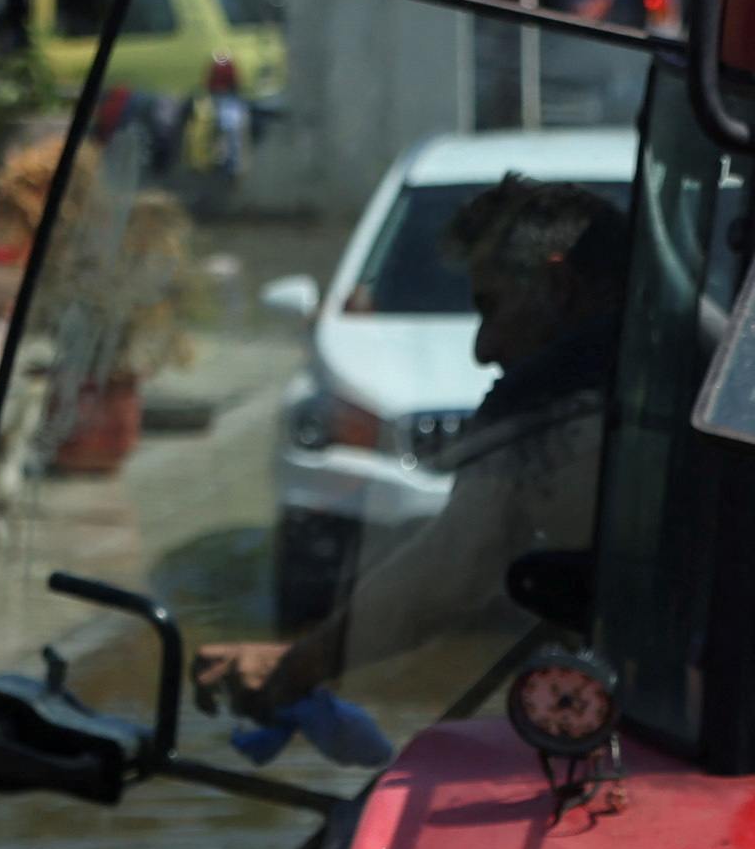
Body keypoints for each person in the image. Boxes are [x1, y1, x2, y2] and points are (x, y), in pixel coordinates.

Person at [191, 180, 627, 725]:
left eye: (491, 306)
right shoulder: (669, 363)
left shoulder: (557, 392)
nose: (483, 348)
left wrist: (298, 665)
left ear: (558, 285)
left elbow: (455, 562)